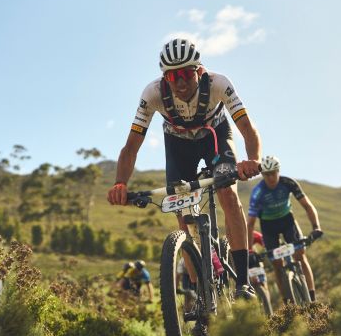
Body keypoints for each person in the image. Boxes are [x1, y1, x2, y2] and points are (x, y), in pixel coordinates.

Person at [107, 38, 262, 299]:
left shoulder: (219, 84)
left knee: (227, 193)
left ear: (199, 72)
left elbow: (247, 127)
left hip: (215, 137)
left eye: (185, 74)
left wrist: (252, 158)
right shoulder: (152, 94)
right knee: (183, 212)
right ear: (164, 78)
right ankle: (201, 291)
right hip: (178, 145)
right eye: (172, 76)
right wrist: (120, 183)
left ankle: (243, 284)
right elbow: (131, 146)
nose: (179, 82)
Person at [247, 155, 322, 303]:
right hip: (269, 227)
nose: (271, 177)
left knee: (300, 256)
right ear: (262, 175)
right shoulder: (258, 192)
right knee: (277, 265)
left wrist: (316, 227)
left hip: (287, 221)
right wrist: (249, 250)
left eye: (273, 172)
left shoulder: (288, 183)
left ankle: (312, 298)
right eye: (267, 174)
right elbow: (250, 224)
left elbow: (307, 205)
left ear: (278, 171)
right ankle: (288, 303)